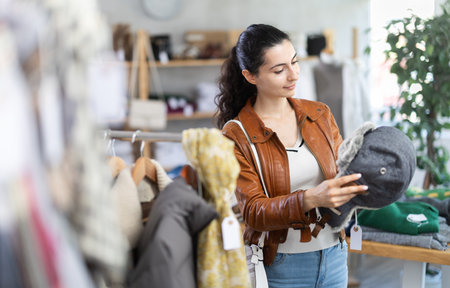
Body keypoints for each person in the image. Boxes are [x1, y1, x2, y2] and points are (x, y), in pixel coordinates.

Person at [216, 24, 368, 288]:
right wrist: (312, 198)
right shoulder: (236, 134)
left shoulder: (319, 114)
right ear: (251, 76)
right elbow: (253, 211)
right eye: (279, 70)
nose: (293, 74)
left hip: (334, 255)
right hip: (282, 266)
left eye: (294, 62)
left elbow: (343, 171)